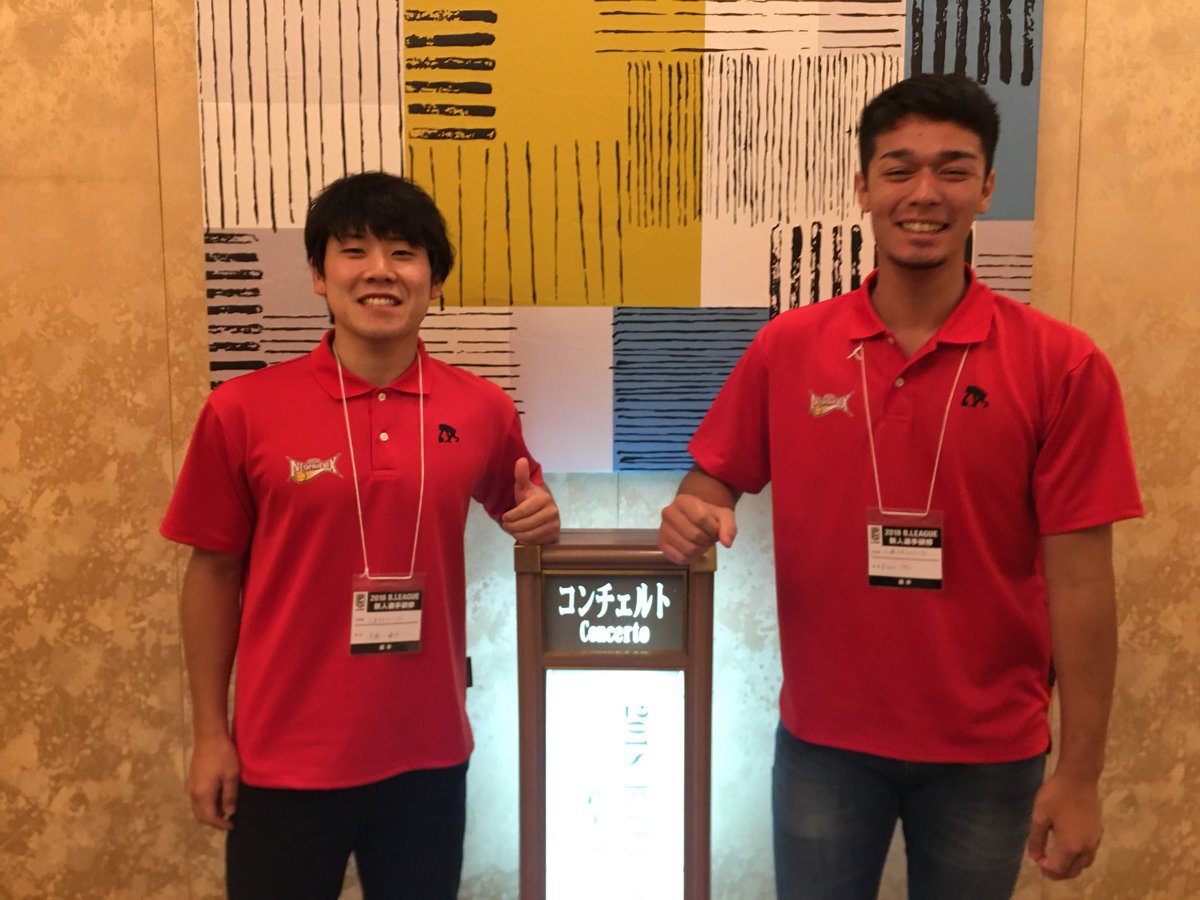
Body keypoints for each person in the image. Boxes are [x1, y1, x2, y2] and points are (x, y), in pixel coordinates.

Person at [657, 74, 1142, 899]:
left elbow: (1083, 583)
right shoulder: (789, 348)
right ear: (863, 187)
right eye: (899, 169)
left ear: (986, 188)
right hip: (825, 741)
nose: (924, 193)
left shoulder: (1062, 364)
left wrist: (1082, 773)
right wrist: (689, 518)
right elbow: (710, 486)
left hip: (990, 751)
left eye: (953, 169)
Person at [162, 172, 560, 899]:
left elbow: (524, 508)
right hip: (282, 756)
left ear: (434, 280)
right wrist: (211, 735)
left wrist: (542, 519)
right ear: (319, 275)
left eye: (404, 253)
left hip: (428, 755)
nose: (380, 270)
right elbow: (212, 573)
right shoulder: (242, 410)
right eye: (354, 251)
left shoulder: (481, 408)